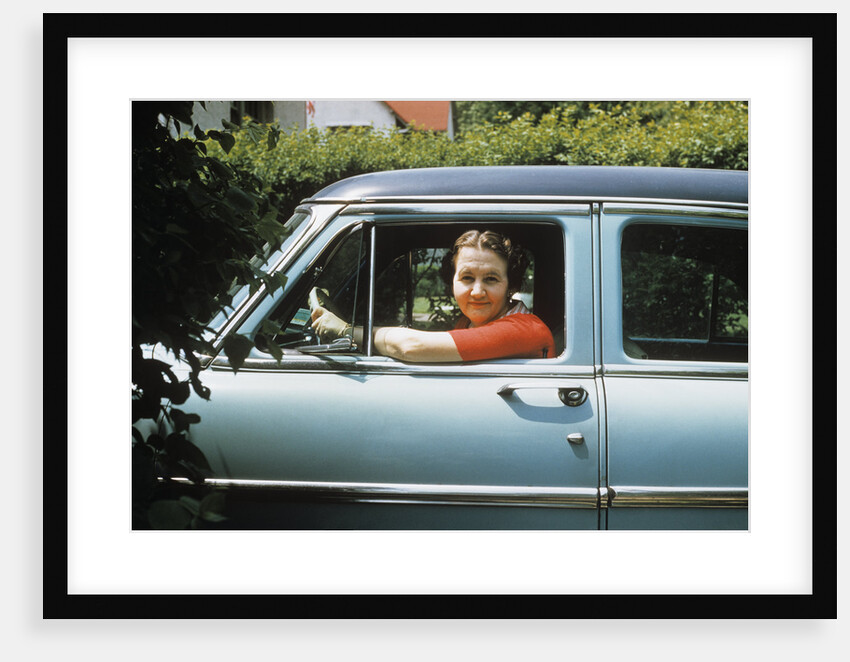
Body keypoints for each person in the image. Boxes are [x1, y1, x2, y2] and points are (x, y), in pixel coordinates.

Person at [310, 230, 556, 362]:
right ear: (452, 281)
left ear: (511, 285)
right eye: (467, 278)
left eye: (491, 279)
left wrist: (345, 330)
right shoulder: (467, 324)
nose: (477, 291)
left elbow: (410, 346)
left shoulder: (525, 329)